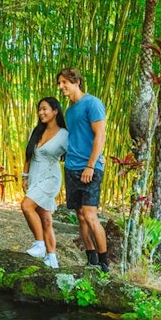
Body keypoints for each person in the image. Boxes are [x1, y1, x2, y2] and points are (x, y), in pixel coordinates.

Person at [56, 68, 110, 271]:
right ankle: (91, 258)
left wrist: (91, 165)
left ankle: (104, 263)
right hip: (71, 167)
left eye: (64, 82)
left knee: (90, 214)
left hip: (89, 168)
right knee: (79, 215)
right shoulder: (69, 111)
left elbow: (100, 136)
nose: (61, 87)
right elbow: (75, 137)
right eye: (59, 83)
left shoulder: (92, 103)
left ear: (76, 82)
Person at [22, 97, 68, 269]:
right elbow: (28, 156)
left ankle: (39, 244)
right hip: (35, 176)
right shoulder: (36, 131)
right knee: (46, 219)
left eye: (44, 109)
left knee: (26, 206)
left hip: (50, 177)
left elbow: (76, 151)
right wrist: (24, 176)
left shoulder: (64, 135)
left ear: (55, 111)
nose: (41, 112)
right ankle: (52, 258)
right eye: (39, 109)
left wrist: (94, 163)